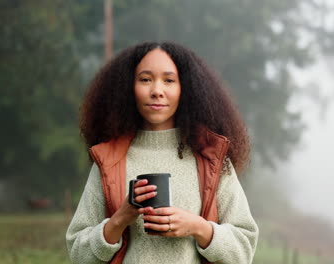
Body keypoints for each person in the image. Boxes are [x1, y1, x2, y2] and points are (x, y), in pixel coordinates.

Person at [66, 41, 259, 264]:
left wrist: (198, 228)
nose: (157, 91)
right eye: (145, 79)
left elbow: (244, 249)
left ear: (185, 89)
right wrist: (119, 219)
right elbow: (78, 253)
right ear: (129, 88)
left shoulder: (210, 158)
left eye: (169, 80)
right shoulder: (110, 160)